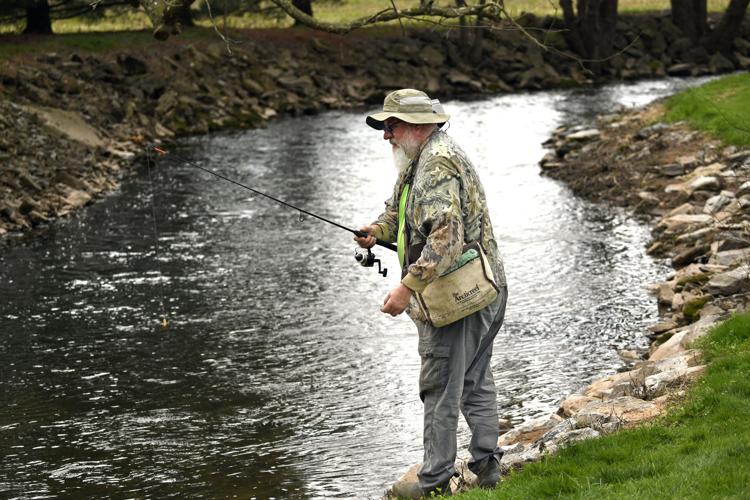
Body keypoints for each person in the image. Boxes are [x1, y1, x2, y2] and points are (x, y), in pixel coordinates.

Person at [354, 89, 509, 497]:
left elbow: (446, 236)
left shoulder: (436, 164)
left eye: (391, 126)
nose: (386, 135)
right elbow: (398, 212)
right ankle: (487, 467)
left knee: (440, 385)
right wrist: (376, 231)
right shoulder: (420, 159)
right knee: (474, 379)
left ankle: (435, 482)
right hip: (485, 285)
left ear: (420, 125)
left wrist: (406, 288)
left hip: (459, 298)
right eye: (384, 127)